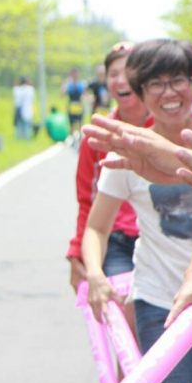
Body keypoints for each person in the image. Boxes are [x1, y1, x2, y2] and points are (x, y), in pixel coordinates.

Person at [81, 39, 192, 383]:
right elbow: (96, 227)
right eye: (155, 84)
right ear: (141, 93)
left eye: (178, 80)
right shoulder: (128, 151)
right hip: (163, 303)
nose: (169, 92)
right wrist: (94, 273)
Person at [65, 42, 147, 294]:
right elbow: (86, 199)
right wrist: (78, 250)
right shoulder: (98, 134)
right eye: (114, 74)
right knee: (120, 308)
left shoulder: (169, 126)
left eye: (129, 73)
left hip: (164, 239)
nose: (121, 81)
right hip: (117, 240)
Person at [62, 66, 86, 143]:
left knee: (80, 122)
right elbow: (62, 94)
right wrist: (64, 85)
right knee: (71, 123)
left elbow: (84, 94)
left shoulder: (81, 84)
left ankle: (80, 138)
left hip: (79, 105)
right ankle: (72, 137)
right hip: (71, 105)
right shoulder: (69, 84)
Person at [12, 75, 36, 139]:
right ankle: (27, 137)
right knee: (27, 125)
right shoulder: (30, 89)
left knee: (19, 125)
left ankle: (19, 137)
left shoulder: (18, 89)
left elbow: (17, 96)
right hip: (28, 109)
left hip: (20, 109)